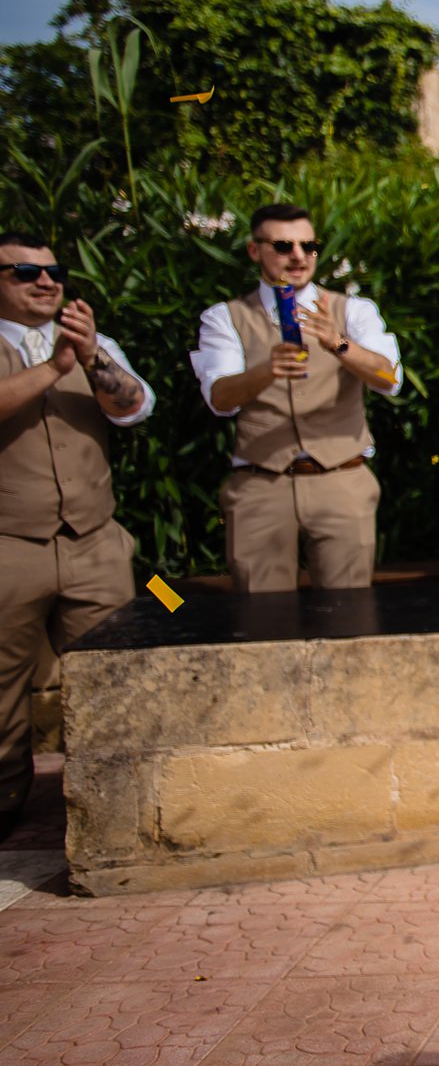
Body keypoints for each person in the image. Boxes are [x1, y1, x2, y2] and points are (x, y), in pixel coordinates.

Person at [0, 233, 154, 841]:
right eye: (25, 273)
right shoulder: (39, 356)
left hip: (93, 542)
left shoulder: (95, 346)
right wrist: (52, 368)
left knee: (113, 677)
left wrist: (90, 357)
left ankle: (114, 803)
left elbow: (134, 406)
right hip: (9, 543)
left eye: (55, 272)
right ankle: (7, 805)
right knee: (3, 685)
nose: (47, 283)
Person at [191, 203, 402, 592]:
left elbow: (390, 378)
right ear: (255, 251)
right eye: (284, 246)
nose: (299, 256)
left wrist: (339, 343)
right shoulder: (224, 317)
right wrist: (265, 370)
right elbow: (219, 399)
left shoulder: (354, 309)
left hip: (341, 477)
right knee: (262, 620)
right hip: (261, 484)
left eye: (309, 245)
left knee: (349, 616)